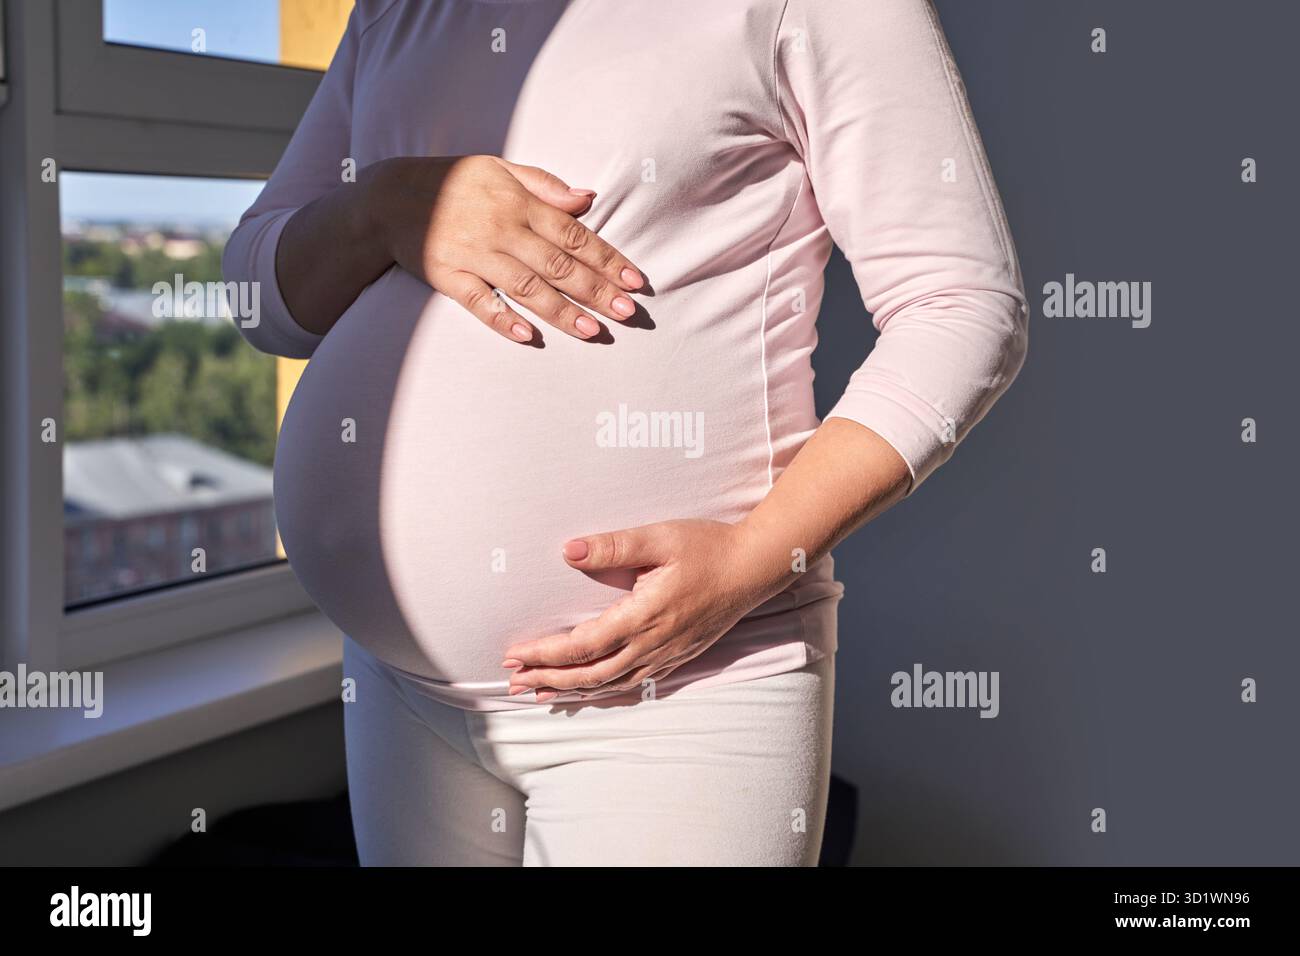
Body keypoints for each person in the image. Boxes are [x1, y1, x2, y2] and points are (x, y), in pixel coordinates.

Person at [224, 0, 1028, 866]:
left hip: (683, 692)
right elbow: (259, 301)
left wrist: (755, 557)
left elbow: (964, 308)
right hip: (399, 688)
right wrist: (378, 209)